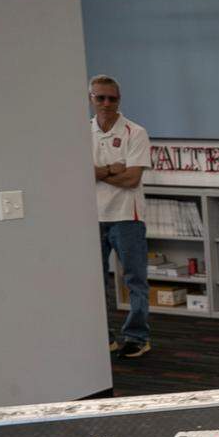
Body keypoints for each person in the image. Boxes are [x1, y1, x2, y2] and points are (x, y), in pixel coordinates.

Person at [91, 75, 152, 358]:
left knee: (134, 280)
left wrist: (97, 172)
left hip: (127, 216)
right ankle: (103, 337)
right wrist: (111, 169)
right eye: (99, 97)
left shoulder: (134, 132)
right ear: (91, 98)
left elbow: (131, 179)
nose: (106, 103)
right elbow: (78, 175)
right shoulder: (81, 132)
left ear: (119, 100)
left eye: (111, 98)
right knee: (94, 282)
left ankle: (137, 336)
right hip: (92, 217)